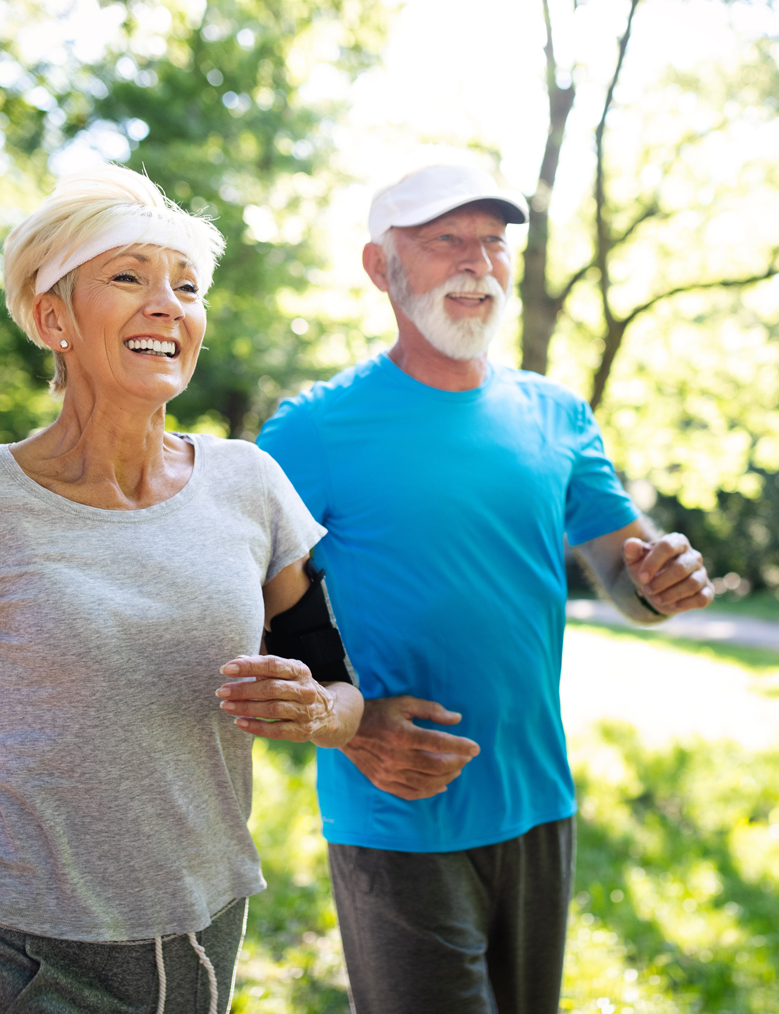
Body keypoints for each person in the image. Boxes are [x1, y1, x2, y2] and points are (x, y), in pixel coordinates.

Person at [0, 163, 363, 1014]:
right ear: (51, 318)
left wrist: (320, 713)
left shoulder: (250, 482)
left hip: (207, 929)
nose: (166, 303)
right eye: (129, 277)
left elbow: (339, 684)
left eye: (185, 286)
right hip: (27, 947)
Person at [257, 162, 714, 1014]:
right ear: (378, 265)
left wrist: (665, 581)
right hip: (396, 805)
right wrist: (348, 726)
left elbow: (626, 574)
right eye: (446, 241)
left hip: (539, 798)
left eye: (494, 242)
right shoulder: (312, 430)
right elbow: (243, 607)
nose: (479, 262)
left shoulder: (559, 414)